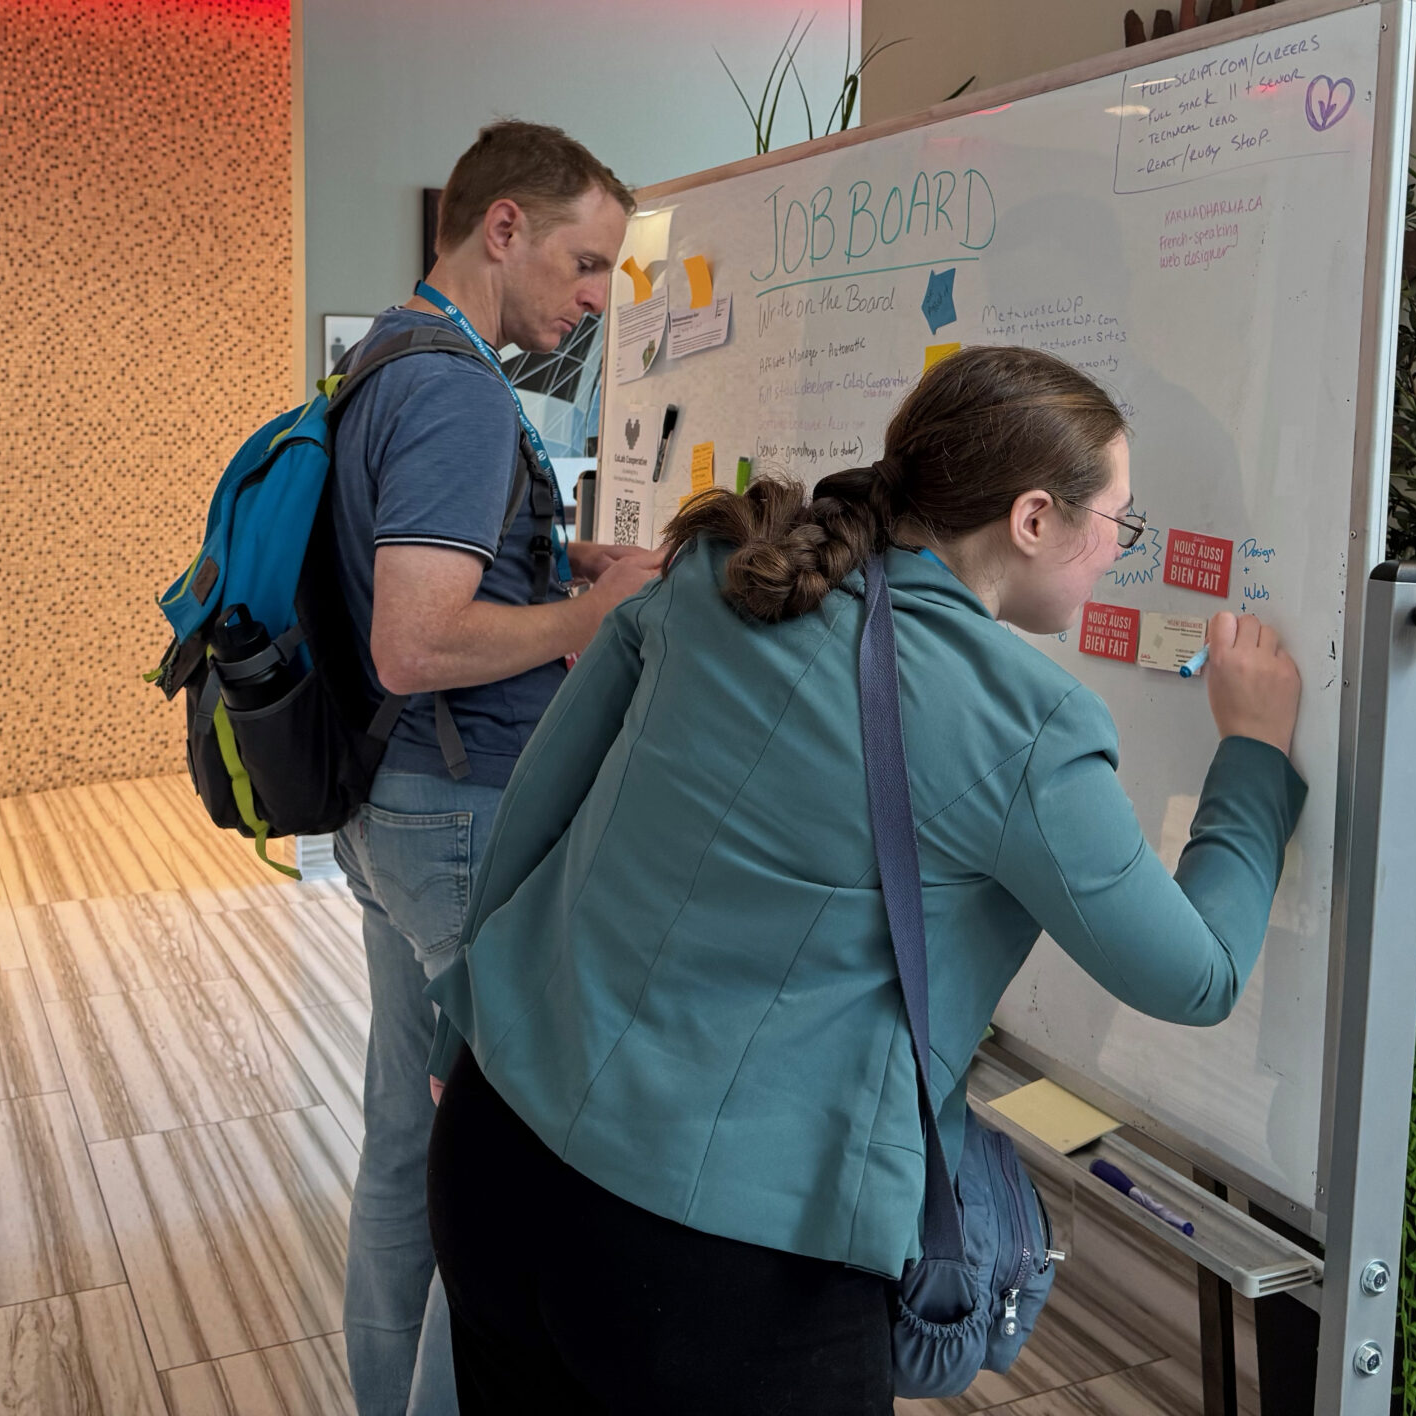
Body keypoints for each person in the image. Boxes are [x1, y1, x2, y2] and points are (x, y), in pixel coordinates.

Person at [421, 344, 1308, 1415]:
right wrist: (1253, 756)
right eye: (1117, 520)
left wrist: (453, 1028)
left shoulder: (714, 574)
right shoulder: (1023, 722)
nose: (1119, 550)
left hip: (494, 1150)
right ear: (1033, 520)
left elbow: (538, 810)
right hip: (722, 1263)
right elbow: (1196, 975)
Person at [325, 118, 664, 1416]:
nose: (595, 299)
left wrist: (554, 570)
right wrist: (589, 621)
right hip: (461, 818)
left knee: (410, 1145)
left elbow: (421, 580)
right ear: (501, 228)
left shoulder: (388, 357)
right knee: (501, 1175)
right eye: (585, 264)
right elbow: (413, 639)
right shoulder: (463, 394)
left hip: (391, 810)